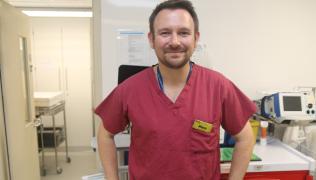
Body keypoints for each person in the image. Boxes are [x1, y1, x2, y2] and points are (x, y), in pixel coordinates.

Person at [95, 0, 256, 179]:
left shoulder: (218, 86)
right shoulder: (130, 89)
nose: (174, 41)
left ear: (195, 38)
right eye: (165, 33)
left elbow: (246, 138)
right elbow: (104, 135)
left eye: (184, 33)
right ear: (151, 39)